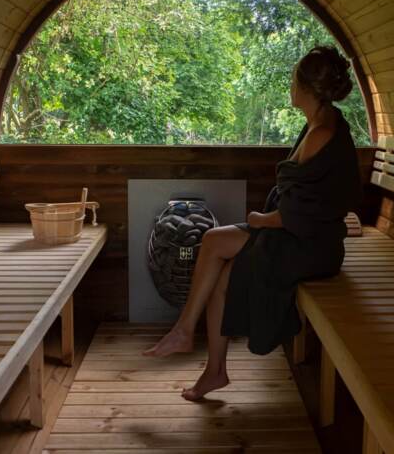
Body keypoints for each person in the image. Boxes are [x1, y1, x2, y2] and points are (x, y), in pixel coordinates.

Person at [142, 45, 363, 401]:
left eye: (293, 80)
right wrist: (265, 220)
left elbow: (303, 212)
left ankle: (202, 355)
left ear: (307, 87)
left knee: (223, 269)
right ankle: (195, 345)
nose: (289, 86)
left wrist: (260, 218)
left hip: (310, 245)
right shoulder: (318, 125)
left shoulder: (322, 134)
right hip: (298, 234)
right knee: (215, 246)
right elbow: (307, 200)